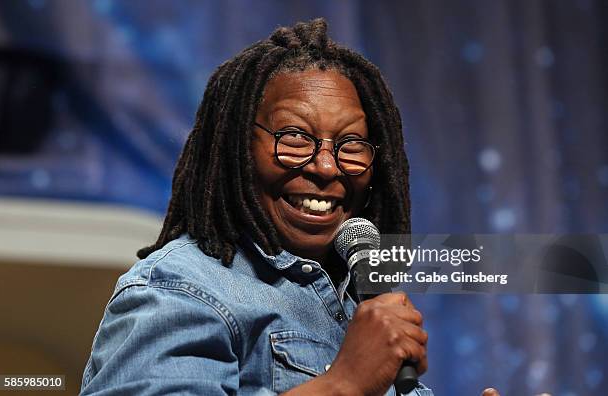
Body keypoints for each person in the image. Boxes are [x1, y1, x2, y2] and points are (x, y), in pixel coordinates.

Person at [80, 19, 499, 396]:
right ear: (237, 148)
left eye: (351, 146)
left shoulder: (358, 311)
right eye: (295, 137)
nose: (326, 167)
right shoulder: (183, 287)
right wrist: (343, 384)